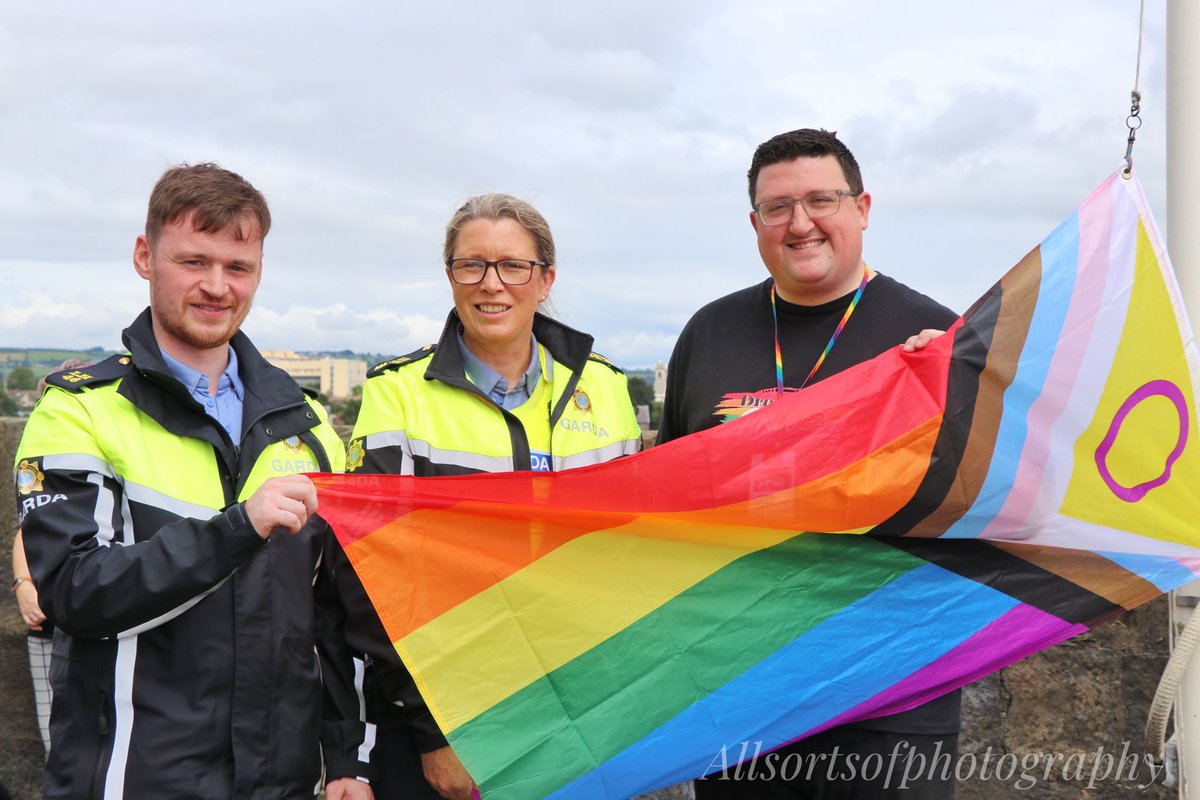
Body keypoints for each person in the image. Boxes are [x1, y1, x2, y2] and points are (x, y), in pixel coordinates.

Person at [13, 163, 372, 800]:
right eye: (193, 261)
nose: (216, 287)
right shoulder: (78, 409)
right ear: (144, 256)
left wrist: (343, 758)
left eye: (238, 268)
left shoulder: (309, 422)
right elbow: (73, 589)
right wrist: (240, 527)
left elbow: (330, 615)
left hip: (281, 781)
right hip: (135, 777)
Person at [657, 128, 961, 799]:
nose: (801, 224)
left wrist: (949, 395)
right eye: (778, 208)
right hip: (740, 689)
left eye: (822, 200)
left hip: (891, 696)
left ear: (863, 207)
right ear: (755, 222)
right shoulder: (708, 332)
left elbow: (983, 498)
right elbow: (665, 503)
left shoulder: (936, 337)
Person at [340, 193, 643, 800]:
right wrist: (435, 732)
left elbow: (634, 556)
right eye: (471, 265)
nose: (491, 284)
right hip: (449, 718)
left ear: (545, 278)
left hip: (583, 712)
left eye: (513, 265)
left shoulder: (606, 388)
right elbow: (372, 575)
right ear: (450, 276)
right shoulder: (399, 393)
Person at [12, 528, 52, 757]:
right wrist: (22, 583)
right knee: (58, 751)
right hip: (49, 634)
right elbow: (30, 523)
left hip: (120, 635)